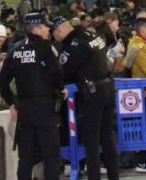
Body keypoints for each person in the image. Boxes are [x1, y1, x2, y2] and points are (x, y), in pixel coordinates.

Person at [0, 13, 65, 180]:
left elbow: (1, 82)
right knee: (51, 155)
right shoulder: (45, 48)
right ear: (36, 29)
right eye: (45, 26)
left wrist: (11, 103)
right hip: (45, 108)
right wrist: (61, 88)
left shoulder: (15, 50)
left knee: (25, 157)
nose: (48, 29)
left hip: (25, 109)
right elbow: (57, 72)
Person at [60, 14, 121, 180]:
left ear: (61, 31)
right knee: (107, 137)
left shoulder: (75, 45)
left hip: (93, 92)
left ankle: (94, 177)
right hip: (108, 87)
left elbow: (65, 71)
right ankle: (114, 176)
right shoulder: (93, 36)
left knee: (91, 140)